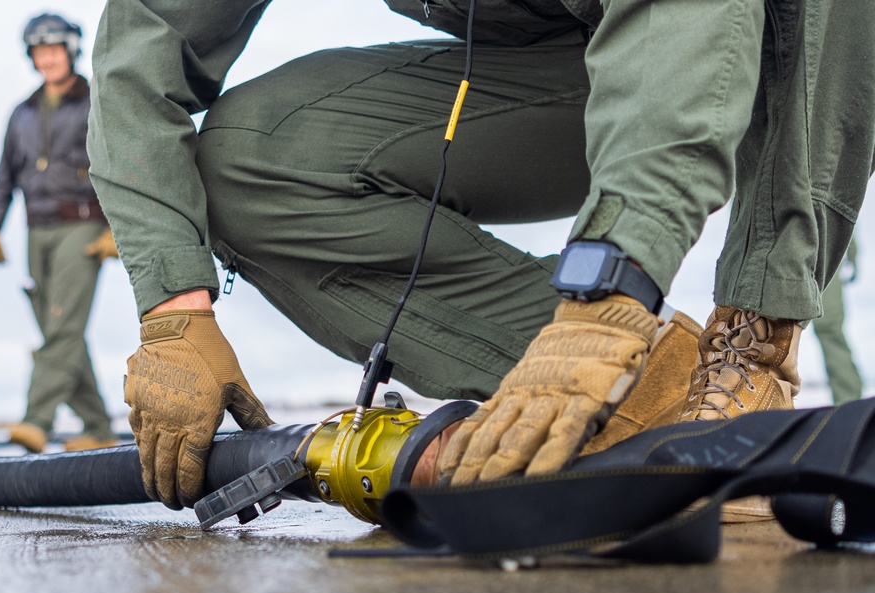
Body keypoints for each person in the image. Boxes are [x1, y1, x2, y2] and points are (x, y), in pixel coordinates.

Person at [86, 1, 875, 510]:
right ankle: (644, 393)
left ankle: (751, 346)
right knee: (249, 162)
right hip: (578, 59)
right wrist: (171, 310)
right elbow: (147, 37)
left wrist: (611, 284)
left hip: (753, 39)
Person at [0, 13, 120, 453]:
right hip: (35, 229)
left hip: (81, 226)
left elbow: (117, 163)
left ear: (70, 51)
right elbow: (5, 174)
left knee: (61, 327)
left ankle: (36, 421)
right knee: (61, 328)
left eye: (54, 50)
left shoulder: (95, 100)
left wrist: (113, 228)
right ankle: (99, 428)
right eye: (39, 52)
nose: (47, 58)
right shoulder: (22, 112)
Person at [813, 238, 864, 405]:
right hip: (824, 253)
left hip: (824, 255)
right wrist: (852, 254)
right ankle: (848, 403)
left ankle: (848, 404)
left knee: (763, 329)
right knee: (763, 329)